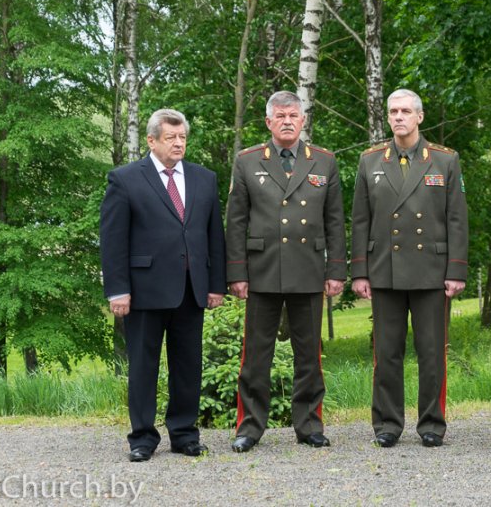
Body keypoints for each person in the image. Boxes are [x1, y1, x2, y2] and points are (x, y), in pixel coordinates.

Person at [100, 109, 226, 462]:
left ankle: (184, 435)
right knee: (143, 367)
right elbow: (113, 240)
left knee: (188, 366)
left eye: (183, 137)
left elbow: (214, 236)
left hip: (191, 288)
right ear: (152, 140)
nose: (178, 143)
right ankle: (142, 438)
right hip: (144, 291)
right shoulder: (125, 179)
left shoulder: (204, 179)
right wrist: (117, 290)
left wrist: (216, 284)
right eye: (171, 137)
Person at [226, 91, 346, 452]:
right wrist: (237, 273)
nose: (288, 121)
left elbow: (335, 220)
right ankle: (249, 427)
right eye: (280, 116)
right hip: (262, 270)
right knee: (255, 356)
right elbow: (236, 221)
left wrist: (336, 270)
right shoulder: (247, 161)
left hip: (308, 268)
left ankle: (309, 425)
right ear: (268, 122)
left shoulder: (324, 161)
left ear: (303, 120)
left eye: (293, 115)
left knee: (309, 355)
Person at [350, 88, 468, 448]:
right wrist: (360, 271)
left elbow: (457, 219)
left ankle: (432, 423)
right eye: (393, 112)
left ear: (419, 117)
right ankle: (387, 424)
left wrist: (456, 270)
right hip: (384, 270)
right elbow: (360, 220)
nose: (398, 117)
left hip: (431, 270)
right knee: (387, 353)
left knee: (432, 353)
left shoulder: (445, 160)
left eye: (405, 111)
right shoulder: (370, 161)